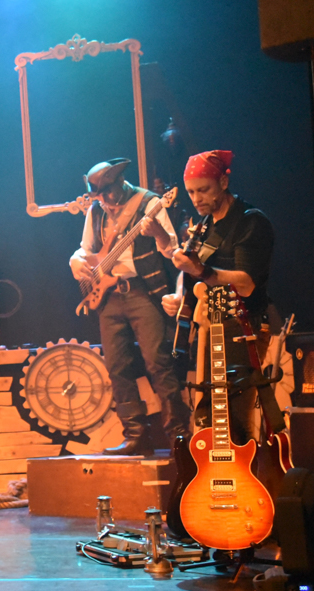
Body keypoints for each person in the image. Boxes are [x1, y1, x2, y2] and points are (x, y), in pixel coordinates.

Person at [69, 158, 192, 455]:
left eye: (106, 196)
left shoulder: (150, 203)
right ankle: (135, 435)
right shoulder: (96, 210)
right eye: (98, 198)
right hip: (109, 297)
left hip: (141, 292)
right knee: (117, 366)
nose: (104, 204)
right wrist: (75, 260)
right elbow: (85, 249)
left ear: (118, 186)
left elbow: (172, 251)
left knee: (157, 363)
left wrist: (157, 234)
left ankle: (178, 436)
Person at [171, 150, 279, 448]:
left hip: (244, 328)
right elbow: (199, 280)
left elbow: (245, 283)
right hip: (211, 329)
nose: (196, 198)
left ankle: (245, 485)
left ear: (223, 180)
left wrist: (200, 269)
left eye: (203, 190)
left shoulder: (250, 222)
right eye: (191, 192)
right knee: (207, 417)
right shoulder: (206, 224)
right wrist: (181, 301)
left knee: (235, 419)